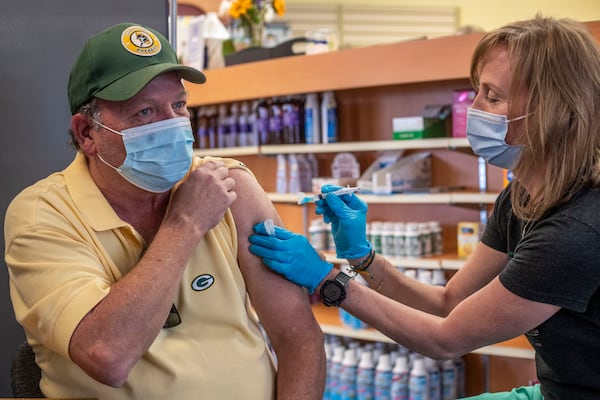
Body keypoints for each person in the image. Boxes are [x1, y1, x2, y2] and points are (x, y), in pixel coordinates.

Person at [249, 15, 600, 400]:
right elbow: (448, 303)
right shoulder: (521, 199)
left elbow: (446, 339)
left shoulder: (576, 229)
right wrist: (362, 257)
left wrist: (326, 280)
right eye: (476, 91)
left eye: (493, 96)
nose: (472, 107)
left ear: (553, 112)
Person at [4, 22, 326, 399]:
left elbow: (299, 338)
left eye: (178, 105)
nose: (174, 126)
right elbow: (107, 355)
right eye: (145, 112)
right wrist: (185, 223)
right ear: (87, 133)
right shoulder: (44, 214)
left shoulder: (230, 185)